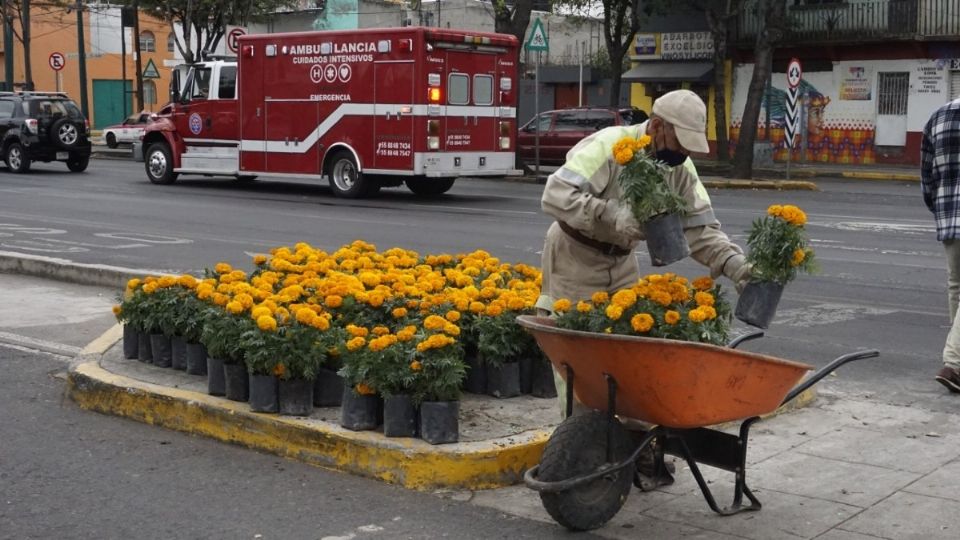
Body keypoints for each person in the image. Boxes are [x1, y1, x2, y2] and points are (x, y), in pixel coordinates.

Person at [535, 89, 753, 318]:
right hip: (575, 256)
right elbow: (555, 195)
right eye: (680, 142)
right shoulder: (610, 145)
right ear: (657, 125)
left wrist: (732, 262)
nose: (685, 152)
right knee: (573, 335)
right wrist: (611, 213)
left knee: (623, 340)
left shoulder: (682, 169)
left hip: (623, 261)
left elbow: (697, 227)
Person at [922, 99, 960, 393]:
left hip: (950, 219)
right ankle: (954, 363)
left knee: (956, 286)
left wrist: (942, 210)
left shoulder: (939, 115)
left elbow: (927, 176)